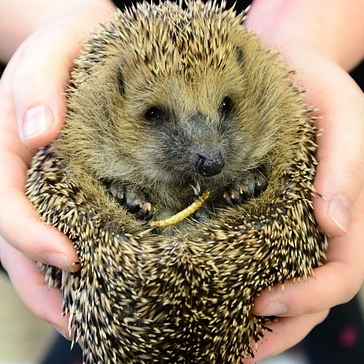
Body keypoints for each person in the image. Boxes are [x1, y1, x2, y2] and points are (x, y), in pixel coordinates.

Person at [0, 0, 364, 362]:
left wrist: (312, 35)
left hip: (248, 279)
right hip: (129, 290)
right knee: (111, 299)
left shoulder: (267, 90)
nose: (209, 154)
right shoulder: (91, 113)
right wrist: (55, 19)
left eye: (225, 106)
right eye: (156, 114)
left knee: (310, 296)